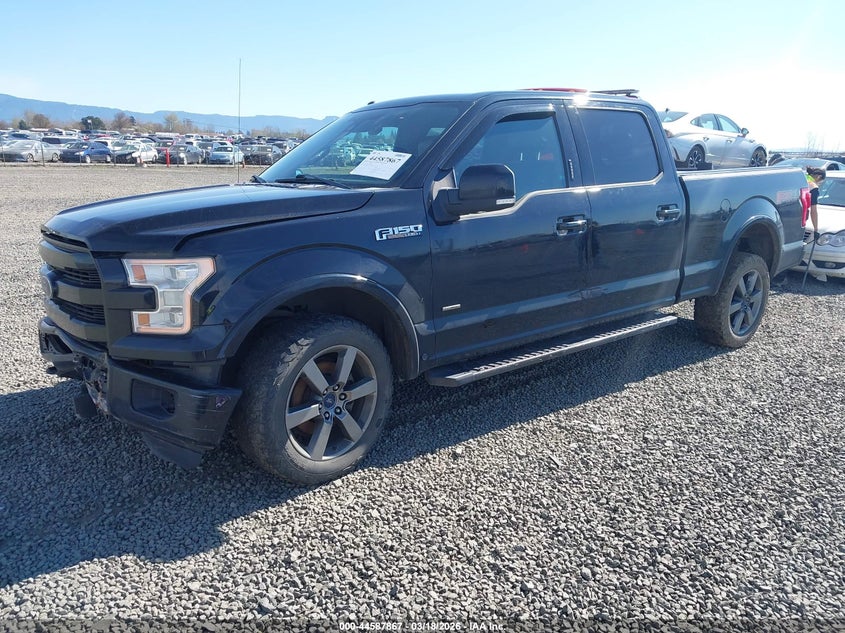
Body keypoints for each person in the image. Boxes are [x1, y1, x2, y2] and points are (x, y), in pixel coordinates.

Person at [806, 166, 827, 239]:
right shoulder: (813, 188)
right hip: (799, 217)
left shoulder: (803, 178)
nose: (819, 184)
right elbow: (813, 211)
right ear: (819, 177)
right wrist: (816, 229)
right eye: (820, 182)